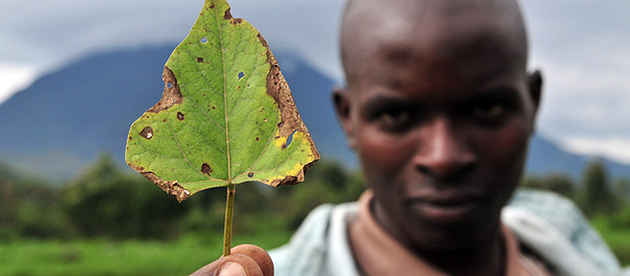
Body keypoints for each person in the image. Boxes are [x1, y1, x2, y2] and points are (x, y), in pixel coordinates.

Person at [193, 0, 628, 275]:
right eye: (397, 114)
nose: (444, 156)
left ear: (532, 103)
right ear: (348, 117)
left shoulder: (576, 256)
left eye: (486, 109)